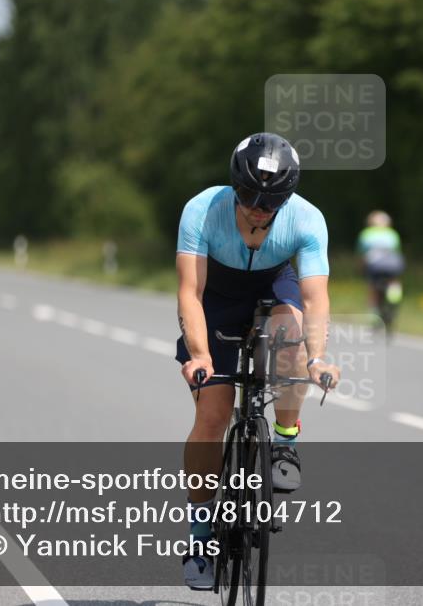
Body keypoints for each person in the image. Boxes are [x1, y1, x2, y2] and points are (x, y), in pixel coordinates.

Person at [174, 132, 341, 589]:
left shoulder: (307, 220)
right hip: (218, 294)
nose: (258, 208)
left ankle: (285, 440)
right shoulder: (202, 210)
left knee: (289, 338)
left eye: (272, 201)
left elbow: (315, 296)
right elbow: (190, 292)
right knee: (212, 414)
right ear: (234, 186)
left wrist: (318, 357)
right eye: (249, 195)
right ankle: (201, 536)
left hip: (275, 282)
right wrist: (201, 355)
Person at [356, 210, 404, 318]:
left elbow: (362, 254)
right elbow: (397, 251)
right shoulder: (392, 233)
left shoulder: (366, 233)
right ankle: (395, 296)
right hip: (393, 264)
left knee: (372, 288)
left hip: (375, 265)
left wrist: (360, 269)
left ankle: (374, 316)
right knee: (394, 280)